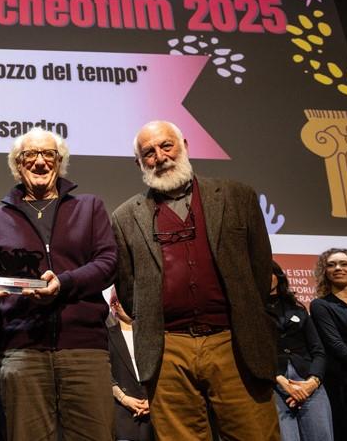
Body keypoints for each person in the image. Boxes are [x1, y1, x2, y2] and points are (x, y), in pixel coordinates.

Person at [111, 120, 279, 440]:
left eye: (166, 146)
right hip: (167, 347)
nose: (160, 157)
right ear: (139, 163)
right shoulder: (124, 217)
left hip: (234, 341)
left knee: (255, 433)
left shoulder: (237, 196)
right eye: (149, 153)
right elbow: (129, 291)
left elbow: (259, 270)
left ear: (185, 145)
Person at [0, 127, 118, 441]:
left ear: (59, 161)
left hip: (84, 349)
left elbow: (108, 263)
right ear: (18, 163)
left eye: (48, 154)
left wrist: (64, 283)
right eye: (30, 155)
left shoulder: (90, 207)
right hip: (22, 350)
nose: (40, 162)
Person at [309, 248, 347, 441]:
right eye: (331, 265)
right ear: (325, 272)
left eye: (344, 264)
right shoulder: (321, 305)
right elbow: (337, 347)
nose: (338, 268)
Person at [266, 261, 332, 441]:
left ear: (277, 276)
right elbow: (252, 353)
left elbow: (318, 350)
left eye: (267, 271)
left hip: (308, 380)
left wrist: (313, 382)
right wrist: (281, 382)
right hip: (273, 384)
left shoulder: (298, 309)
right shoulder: (250, 312)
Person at [107, 288, 153, 441]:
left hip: (154, 411)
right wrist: (124, 398)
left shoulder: (150, 335)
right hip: (124, 415)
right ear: (114, 305)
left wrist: (151, 400)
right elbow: (105, 373)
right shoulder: (107, 336)